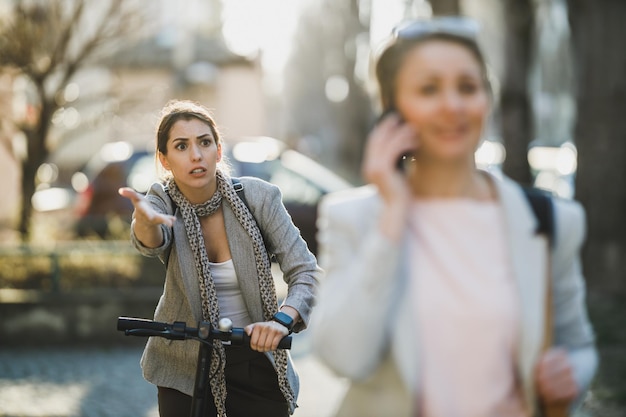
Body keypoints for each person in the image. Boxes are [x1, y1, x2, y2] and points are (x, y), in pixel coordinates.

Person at [310, 16, 597, 417]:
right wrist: (392, 218)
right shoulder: (354, 217)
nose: (453, 105)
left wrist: (570, 377)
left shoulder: (551, 220)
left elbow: (579, 348)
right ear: (393, 110)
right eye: (429, 89)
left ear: (486, 99)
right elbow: (343, 356)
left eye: (468, 87)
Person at [119, 99, 320, 417]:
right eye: (181, 146)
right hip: (184, 366)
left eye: (204, 142)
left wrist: (281, 321)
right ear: (165, 159)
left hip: (256, 356)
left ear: (218, 150)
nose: (196, 155)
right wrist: (144, 222)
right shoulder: (162, 201)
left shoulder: (258, 197)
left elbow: (306, 271)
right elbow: (152, 240)